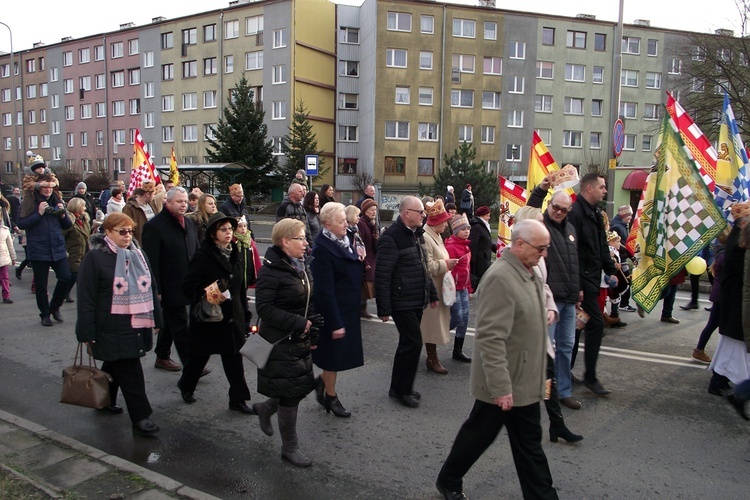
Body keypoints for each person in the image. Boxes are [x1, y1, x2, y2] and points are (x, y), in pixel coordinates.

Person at [436, 220, 558, 500]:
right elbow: (490, 339)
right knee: (480, 435)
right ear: (519, 245)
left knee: (527, 445)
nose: (544, 254)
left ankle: (541, 495)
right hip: (505, 382)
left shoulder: (528, 272)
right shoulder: (501, 278)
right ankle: (449, 479)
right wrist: (501, 387)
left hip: (523, 378)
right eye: (540, 248)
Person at [75, 213, 162, 436]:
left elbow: (151, 287)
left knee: (115, 363)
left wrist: (158, 318)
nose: (127, 236)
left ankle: (104, 401)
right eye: (121, 231)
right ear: (107, 232)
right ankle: (141, 416)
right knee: (130, 369)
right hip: (109, 323)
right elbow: (86, 296)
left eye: (130, 231)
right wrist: (86, 330)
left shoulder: (138, 254)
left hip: (136, 320)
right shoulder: (95, 258)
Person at [252, 218, 322, 467]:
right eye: (300, 238)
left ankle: (267, 407)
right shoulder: (272, 271)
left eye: (305, 238)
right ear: (284, 241)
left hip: (298, 339)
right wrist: (297, 322)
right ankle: (289, 448)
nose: (306, 243)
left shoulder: (301, 266)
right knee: (291, 395)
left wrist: (313, 324)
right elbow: (264, 308)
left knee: (294, 388)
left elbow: (306, 302)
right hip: (280, 341)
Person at [177, 213, 254, 414]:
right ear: (213, 234)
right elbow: (187, 287)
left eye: (230, 229)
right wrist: (210, 292)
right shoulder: (203, 256)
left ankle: (238, 399)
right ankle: (186, 385)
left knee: (234, 360)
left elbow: (240, 288)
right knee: (199, 357)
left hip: (232, 316)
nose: (228, 233)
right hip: (210, 318)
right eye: (223, 230)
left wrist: (245, 314)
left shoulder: (236, 252)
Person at [375, 196, 438, 408]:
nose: (424, 215)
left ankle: (398, 387)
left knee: (406, 344)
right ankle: (404, 391)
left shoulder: (416, 235)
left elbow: (423, 267)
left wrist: (433, 294)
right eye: (420, 212)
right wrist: (383, 308)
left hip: (416, 298)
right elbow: (382, 275)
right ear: (406, 213)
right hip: (401, 301)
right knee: (413, 343)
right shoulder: (391, 237)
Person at [526, 184, 581, 409]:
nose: (558, 212)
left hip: (568, 299)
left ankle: (563, 391)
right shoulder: (540, 225)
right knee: (545, 348)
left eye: (564, 209)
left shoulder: (571, 230)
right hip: (550, 299)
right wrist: (540, 190)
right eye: (555, 207)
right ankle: (542, 391)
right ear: (549, 206)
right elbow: (528, 210)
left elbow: (574, 262)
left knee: (566, 347)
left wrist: (578, 290)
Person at [566, 173, 619, 396]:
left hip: (592, 279)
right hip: (582, 281)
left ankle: (564, 370)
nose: (605, 191)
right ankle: (589, 377)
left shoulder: (595, 213)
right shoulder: (576, 214)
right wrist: (577, 285)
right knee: (595, 324)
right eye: (602, 187)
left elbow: (600, 246)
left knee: (576, 328)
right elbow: (572, 252)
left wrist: (610, 269)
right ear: (589, 189)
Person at [310, 203, 364, 418]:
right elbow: (325, 291)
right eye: (341, 221)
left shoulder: (343, 239)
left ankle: (322, 384)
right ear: (327, 225)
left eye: (345, 220)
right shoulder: (322, 250)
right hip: (335, 311)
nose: (346, 224)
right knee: (333, 358)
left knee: (338, 357)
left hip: (347, 308)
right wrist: (335, 322)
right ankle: (331, 398)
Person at [142, 187, 200, 373]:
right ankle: (192, 366)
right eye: (179, 201)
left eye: (185, 201)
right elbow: (151, 262)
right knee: (182, 326)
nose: (184, 205)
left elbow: (196, 251)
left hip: (188, 283)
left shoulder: (189, 223)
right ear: (168, 202)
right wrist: (155, 289)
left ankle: (162, 355)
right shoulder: (155, 226)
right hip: (169, 285)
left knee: (169, 321)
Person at [17, 173, 72, 326]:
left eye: (50, 187)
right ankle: (45, 314)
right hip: (38, 249)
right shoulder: (29, 202)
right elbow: (21, 223)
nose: (48, 190)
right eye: (45, 187)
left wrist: (62, 215)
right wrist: (39, 214)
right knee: (41, 285)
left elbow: (67, 225)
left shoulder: (57, 200)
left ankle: (55, 307)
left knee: (66, 277)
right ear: (39, 187)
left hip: (57, 248)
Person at [709, 203, 750, 396]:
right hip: (736, 303)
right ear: (743, 222)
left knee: (732, 346)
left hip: (735, 302)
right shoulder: (738, 244)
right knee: (734, 346)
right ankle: (719, 381)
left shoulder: (737, 239)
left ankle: (721, 379)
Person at [421, 200, 459, 375]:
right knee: (431, 324)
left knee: (436, 323)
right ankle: (432, 357)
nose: (446, 224)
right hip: (432, 287)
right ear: (436, 222)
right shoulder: (426, 237)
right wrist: (446, 264)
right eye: (444, 221)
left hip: (440, 286)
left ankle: (431, 355)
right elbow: (427, 266)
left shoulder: (436, 235)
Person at [692, 230, 729, 363]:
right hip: (722, 296)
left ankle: (699, 349)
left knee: (713, 324)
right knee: (716, 325)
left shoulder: (721, 254)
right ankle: (699, 350)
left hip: (720, 296)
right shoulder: (725, 256)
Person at [444, 213, 472, 362]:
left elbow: (467, 269)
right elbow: (448, 270)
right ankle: (436, 334)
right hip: (453, 289)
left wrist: (469, 287)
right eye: (463, 229)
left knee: (465, 319)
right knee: (457, 317)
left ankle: (457, 351)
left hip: (463, 288)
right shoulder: (451, 246)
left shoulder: (466, 246)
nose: (466, 231)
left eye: (468, 228)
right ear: (455, 231)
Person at [62, 198, 90, 304]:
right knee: (76, 275)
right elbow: (62, 236)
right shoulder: (68, 221)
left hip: (84, 251)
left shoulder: (84, 219)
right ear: (77, 207)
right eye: (83, 206)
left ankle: (67, 292)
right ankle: (78, 296)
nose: (85, 208)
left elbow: (87, 234)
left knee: (78, 275)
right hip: (73, 251)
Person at [357, 199, 379, 318]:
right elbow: (360, 244)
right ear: (365, 211)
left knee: (368, 283)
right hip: (366, 258)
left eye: (375, 210)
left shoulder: (372, 224)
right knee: (365, 284)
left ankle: (362, 308)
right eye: (372, 210)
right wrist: (364, 261)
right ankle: (361, 308)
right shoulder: (361, 224)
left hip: (372, 257)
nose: (374, 212)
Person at [468, 205, 495, 290]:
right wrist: (472, 263)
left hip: (485, 259)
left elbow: (487, 242)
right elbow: (473, 244)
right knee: (482, 284)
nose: (489, 218)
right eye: (487, 215)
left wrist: (498, 249)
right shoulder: (477, 227)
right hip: (479, 261)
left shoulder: (483, 226)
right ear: (481, 216)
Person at [122, 180, 157, 245]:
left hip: (154, 242)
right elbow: (125, 227)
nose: (154, 196)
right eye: (153, 194)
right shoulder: (129, 208)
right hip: (140, 244)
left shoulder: (152, 205)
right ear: (147, 194)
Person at [234, 216, 260, 288]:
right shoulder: (234, 241)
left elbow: (255, 257)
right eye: (240, 226)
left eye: (245, 226)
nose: (243, 228)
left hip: (248, 271)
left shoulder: (249, 240)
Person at [0, 215, 16, 303]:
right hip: (3, 257)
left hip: (3, 257)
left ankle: (6, 296)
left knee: (5, 278)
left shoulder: (5, 230)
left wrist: (13, 258)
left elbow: (10, 246)